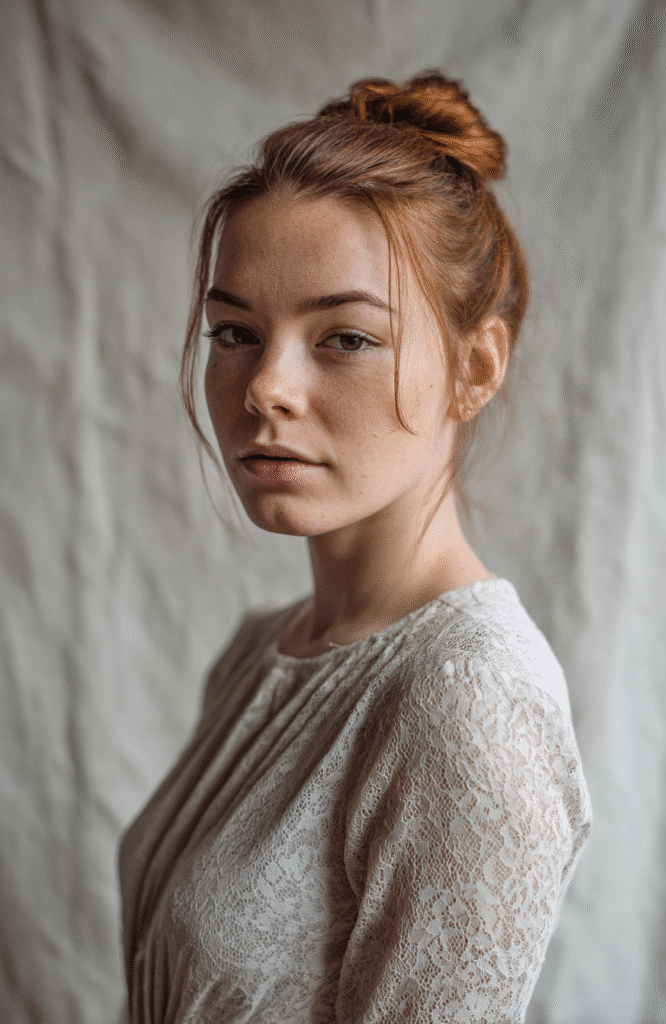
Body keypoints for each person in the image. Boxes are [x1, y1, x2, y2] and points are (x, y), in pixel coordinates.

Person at [118, 71, 593, 1023]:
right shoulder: (258, 653)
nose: (264, 389)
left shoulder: (468, 704)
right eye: (235, 331)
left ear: (474, 368)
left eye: (344, 338)